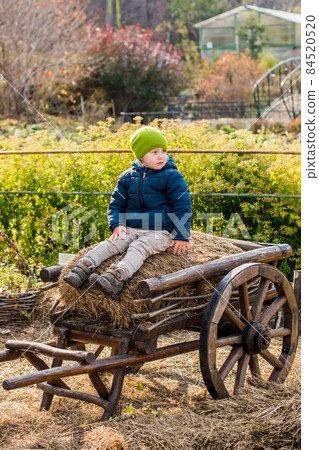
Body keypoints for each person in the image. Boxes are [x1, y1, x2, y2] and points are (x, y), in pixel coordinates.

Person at [63, 126, 192, 298]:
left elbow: (183, 206)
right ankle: (83, 267)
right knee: (113, 243)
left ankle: (117, 276)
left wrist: (181, 235)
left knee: (139, 247)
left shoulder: (172, 177)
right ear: (141, 156)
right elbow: (116, 204)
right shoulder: (127, 177)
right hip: (133, 227)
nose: (161, 156)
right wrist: (117, 224)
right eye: (154, 152)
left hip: (162, 231)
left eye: (163, 151)